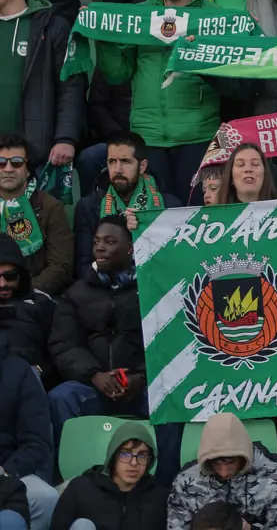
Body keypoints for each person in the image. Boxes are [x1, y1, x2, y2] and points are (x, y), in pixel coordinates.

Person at [95, 0, 228, 202]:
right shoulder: (141, 14)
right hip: (148, 136)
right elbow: (118, 74)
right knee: (153, 214)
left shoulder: (214, 17)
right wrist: (104, 39)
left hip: (197, 135)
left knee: (193, 211)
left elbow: (229, 76)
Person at [45, 218, 155, 461]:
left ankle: (167, 480)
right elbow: (63, 344)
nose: (99, 248)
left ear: (130, 248)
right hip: (93, 387)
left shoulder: (152, 288)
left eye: (110, 241)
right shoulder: (76, 293)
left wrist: (141, 377)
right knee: (61, 397)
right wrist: (95, 375)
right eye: (96, 242)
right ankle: (68, 477)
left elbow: (166, 344)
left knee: (173, 400)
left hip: (141, 388)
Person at [0, 0, 84, 172]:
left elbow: (70, 87)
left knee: (39, 207)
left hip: (36, 153)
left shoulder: (50, 25)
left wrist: (66, 138)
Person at [72, 131, 175, 280]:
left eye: (126, 161)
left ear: (142, 166)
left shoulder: (170, 205)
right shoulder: (88, 207)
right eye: (112, 161)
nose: (117, 169)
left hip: (155, 288)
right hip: (106, 294)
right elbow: (83, 269)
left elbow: (175, 261)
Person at [166, 413, 277, 530]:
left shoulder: (276, 477)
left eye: (230, 462)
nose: (224, 472)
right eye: (216, 463)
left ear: (242, 456)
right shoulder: (185, 482)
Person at [49, 421, 168, 530]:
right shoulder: (81, 488)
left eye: (142, 456)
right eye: (125, 454)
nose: (134, 463)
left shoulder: (158, 496)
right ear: (113, 456)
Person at [0, 133, 72, 296]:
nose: (8, 169)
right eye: (1, 163)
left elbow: (61, 267)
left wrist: (24, 291)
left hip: (35, 297)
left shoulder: (50, 207)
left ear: (28, 170)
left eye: (17, 163)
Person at [0, 327, 53, 530]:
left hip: (8, 470)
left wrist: (6, 470)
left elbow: (36, 442)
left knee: (45, 498)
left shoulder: (18, 372)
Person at [0, 235, 54, 371]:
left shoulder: (43, 304)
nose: (2, 284)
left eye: (10, 276)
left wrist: (37, 372)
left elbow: (62, 351)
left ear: (21, 274)